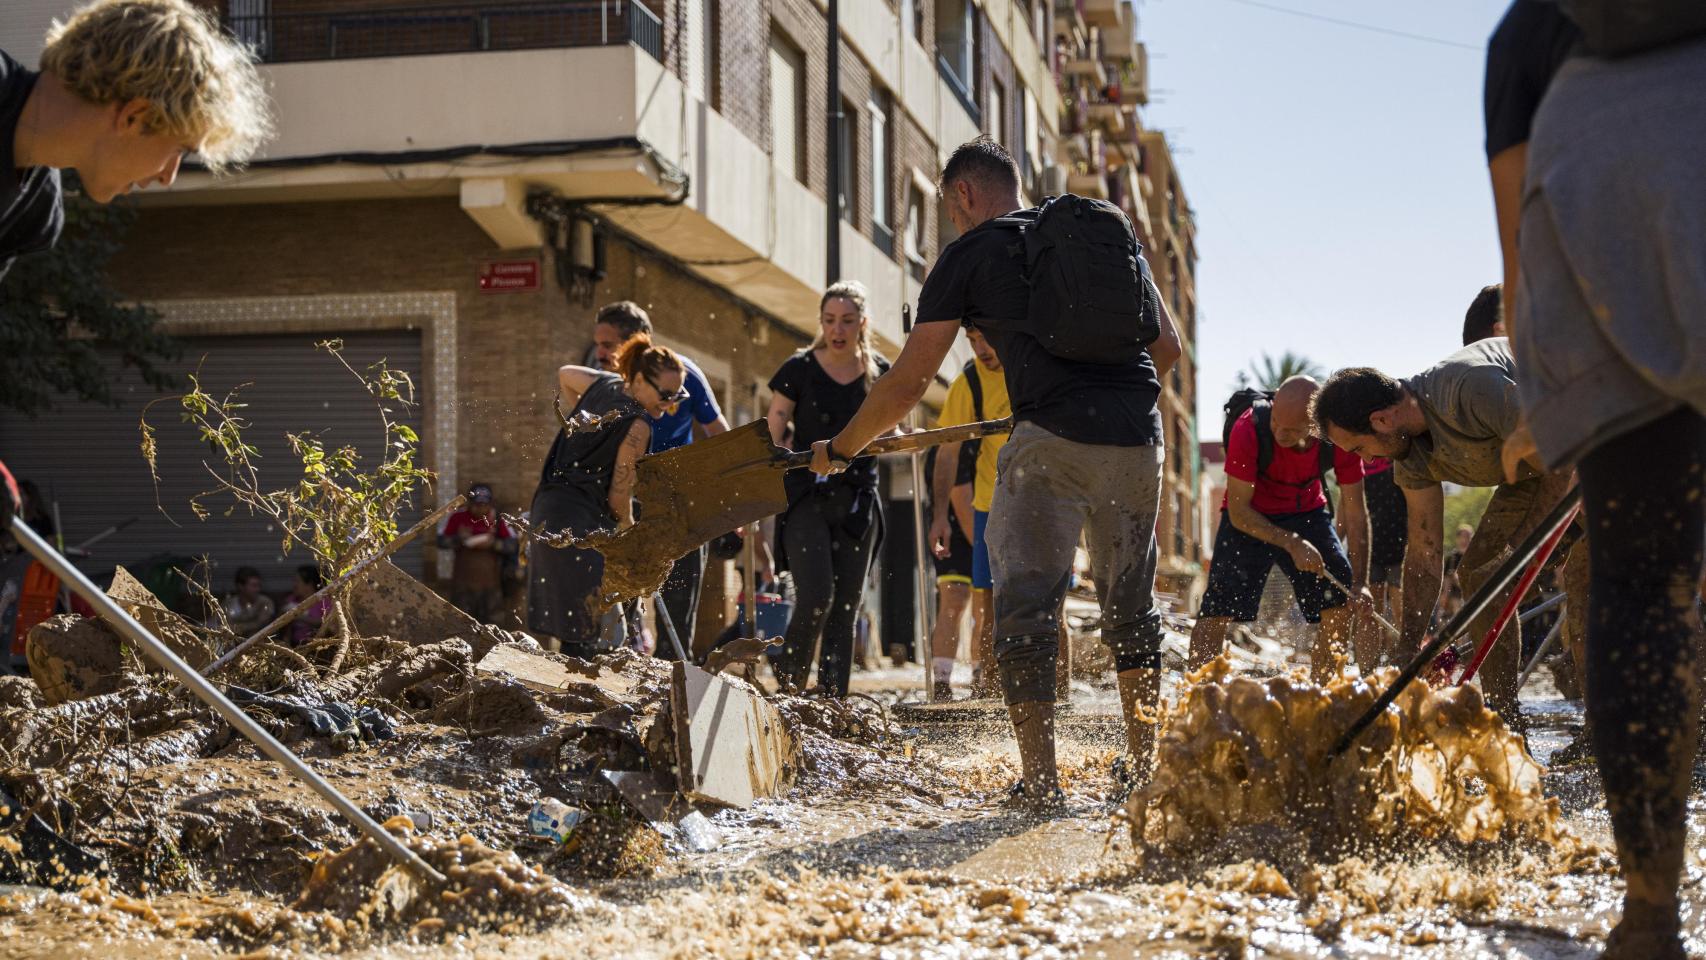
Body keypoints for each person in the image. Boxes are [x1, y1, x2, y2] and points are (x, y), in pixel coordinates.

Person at [809, 137, 1181, 808]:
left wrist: (841, 448)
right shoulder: (1100, 231)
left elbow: (905, 384)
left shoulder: (970, 253)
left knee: (1027, 610)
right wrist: (1111, 408)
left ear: (963, 196)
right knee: (1132, 610)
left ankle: (1042, 787)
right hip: (1138, 438)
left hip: (1048, 443)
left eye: (951, 211)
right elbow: (1167, 349)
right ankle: (1144, 773)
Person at [1486, 4, 1704, 953]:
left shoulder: (1533, 27)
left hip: (1600, 194)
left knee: (1640, 575)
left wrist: (1554, 394)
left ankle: (1652, 909)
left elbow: (1517, 249)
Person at [1311, 339, 1574, 730]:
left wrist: (1545, 544)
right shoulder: (1410, 453)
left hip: (1583, 441)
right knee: (1481, 575)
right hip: (1533, 470)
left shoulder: (1470, 391)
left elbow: (1562, 448)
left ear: (1381, 420)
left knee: (1518, 575)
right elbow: (1424, 551)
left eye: (1360, 447)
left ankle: (1520, 725)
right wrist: (1407, 650)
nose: (1366, 461)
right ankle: (1505, 722)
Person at [1188, 377, 1370, 681]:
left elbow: (1356, 513)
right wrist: (1291, 542)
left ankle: (1325, 696)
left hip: (1307, 512)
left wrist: (1360, 583)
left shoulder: (1339, 437)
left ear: (1316, 428)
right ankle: (1196, 698)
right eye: (1276, 423)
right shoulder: (1248, 428)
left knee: (1339, 603)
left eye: (1292, 430)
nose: (1280, 434)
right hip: (1250, 516)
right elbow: (1238, 512)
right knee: (1216, 611)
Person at [766, 281, 890, 697]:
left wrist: (907, 435)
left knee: (845, 608)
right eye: (830, 320)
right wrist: (769, 456)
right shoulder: (798, 369)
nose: (838, 329)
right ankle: (788, 691)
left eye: (848, 321)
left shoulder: (880, 373)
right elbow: (774, 427)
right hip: (808, 497)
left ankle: (832, 702)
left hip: (857, 502)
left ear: (862, 323)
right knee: (817, 596)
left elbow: (895, 427)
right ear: (821, 323)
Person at [527, 335, 687, 658]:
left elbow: (565, 373)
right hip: (583, 528)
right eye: (666, 395)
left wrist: (585, 421)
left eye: (677, 397)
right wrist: (630, 533)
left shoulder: (604, 385)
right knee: (594, 643)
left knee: (570, 633)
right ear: (640, 379)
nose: (669, 405)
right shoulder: (639, 426)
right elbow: (618, 498)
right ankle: (585, 706)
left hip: (545, 513)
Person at [590, 301, 730, 659]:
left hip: (676, 496)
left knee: (679, 597)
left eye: (609, 345)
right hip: (619, 494)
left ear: (638, 342)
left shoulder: (683, 376)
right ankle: (617, 668)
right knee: (619, 595)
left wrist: (734, 494)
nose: (601, 353)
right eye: (599, 344)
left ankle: (674, 677)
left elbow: (720, 435)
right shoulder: (604, 384)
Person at [928, 327, 1012, 699]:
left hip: (1029, 506)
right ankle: (968, 683)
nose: (981, 348)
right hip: (980, 511)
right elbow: (949, 461)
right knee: (968, 601)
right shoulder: (967, 387)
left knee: (1046, 610)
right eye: (973, 338)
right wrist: (940, 518)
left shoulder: (1029, 370)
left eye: (986, 337)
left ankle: (1050, 695)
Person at [923, 443, 974, 701]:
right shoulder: (950, 443)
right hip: (953, 528)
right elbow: (961, 498)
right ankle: (942, 681)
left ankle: (982, 676)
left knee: (986, 605)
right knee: (954, 598)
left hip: (984, 517)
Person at [1349, 454, 1407, 666]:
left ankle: (1406, 663)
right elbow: (1346, 510)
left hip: (1401, 546)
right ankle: (1366, 670)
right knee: (1370, 611)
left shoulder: (1398, 460)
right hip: (1369, 548)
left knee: (1402, 607)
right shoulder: (1355, 463)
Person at [437, 484, 517, 625]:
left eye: (483, 505)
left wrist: (494, 544)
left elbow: (512, 545)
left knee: (493, 624)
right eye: (476, 505)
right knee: (461, 623)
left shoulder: (498, 520)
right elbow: (441, 541)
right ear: (469, 503)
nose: (480, 509)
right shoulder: (458, 517)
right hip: (463, 584)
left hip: (491, 585)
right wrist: (459, 539)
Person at [216, 566, 274, 636]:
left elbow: (261, 624)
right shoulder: (229, 603)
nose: (257, 589)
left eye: (259, 585)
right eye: (254, 585)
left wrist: (236, 628)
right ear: (240, 586)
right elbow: (222, 624)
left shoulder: (265, 602)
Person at [283, 565, 329, 647]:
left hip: (317, 647)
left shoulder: (324, 602)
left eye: (297, 581)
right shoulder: (292, 600)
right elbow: (285, 627)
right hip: (295, 646)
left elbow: (326, 624)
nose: (294, 585)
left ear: (309, 584)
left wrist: (297, 616)